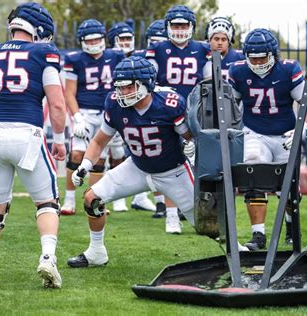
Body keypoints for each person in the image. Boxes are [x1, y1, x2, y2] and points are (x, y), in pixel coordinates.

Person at [0, 2, 66, 287]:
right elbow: (57, 105)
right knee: (46, 201)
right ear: (38, 30)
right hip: (27, 134)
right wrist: (59, 140)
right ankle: (48, 258)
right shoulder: (43, 52)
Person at [67, 56, 195, 267]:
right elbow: (99, 141)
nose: (123, 93)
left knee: (205, 223)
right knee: (93, 198)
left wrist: (191, 145)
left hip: (173, 171)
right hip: (137, 166)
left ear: (146, 84)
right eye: (120, 87)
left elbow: (191, 137)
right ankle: (96, 252)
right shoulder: (115, 104)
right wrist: (85, 166)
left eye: (129, 87)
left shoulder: (170, 104)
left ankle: (235, 251)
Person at [228, 28, 305, 250]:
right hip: (255, 132)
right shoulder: (237, 71)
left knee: (288, 188)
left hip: (285, 133)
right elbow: (230, 106)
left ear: (273, 54)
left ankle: (291, 227)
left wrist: (299, 131)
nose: (259, 62)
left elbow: (305, 103)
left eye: (263, 57)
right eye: (254, 58)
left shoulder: (289, 69)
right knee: (253, 176)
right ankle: (258, 235)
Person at [145, 5, 211, 222]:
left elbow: (210, 84)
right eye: (176, 25)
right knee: (170, 163)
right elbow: (150, 82)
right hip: (167, 110)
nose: (180, 29)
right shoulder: (157, 49)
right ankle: (171, 214)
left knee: (198, 159)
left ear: (192, 26)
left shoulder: (203, 49)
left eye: (184, 25)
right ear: (168, 27)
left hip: (194, 110)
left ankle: (195, 206)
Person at [60, 19, 126, 215]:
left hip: (108, 112)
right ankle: (69, 200)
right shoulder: (74, 60)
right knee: (77, 156)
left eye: (96, 39)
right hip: (85, 113)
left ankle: (93, 200)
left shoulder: (116, 56)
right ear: (82, 41)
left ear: (103, 39)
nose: (93, 43)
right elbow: (69, 93)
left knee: (99, 160)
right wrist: (77, 117)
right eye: (89, 40)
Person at [106, 21, 157, 213]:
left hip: (137, 110)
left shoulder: (140, 58)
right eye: (123, 38)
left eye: (129, 38)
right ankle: (117, 198)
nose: (127, 42)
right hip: (116, 108)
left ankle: (140, 197)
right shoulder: (110, 57)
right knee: (113, 154)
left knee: (138, 152)